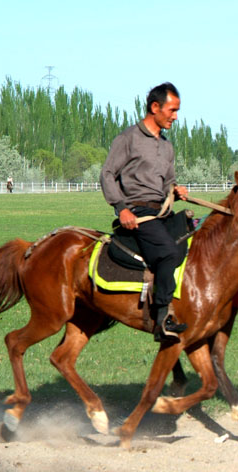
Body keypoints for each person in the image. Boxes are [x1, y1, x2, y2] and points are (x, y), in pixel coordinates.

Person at [100, 82, 189, 341]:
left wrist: (175, 190)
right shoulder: (128, 139)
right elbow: (107, 173)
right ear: (155, 107)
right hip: (137, 211)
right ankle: (162, 318)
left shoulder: (167, 146)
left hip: (161, 212)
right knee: (167, 253)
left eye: (177, 111)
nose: (175, 116)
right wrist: (121, 208)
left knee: (194, 240)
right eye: (172, 110)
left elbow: (167, 182)